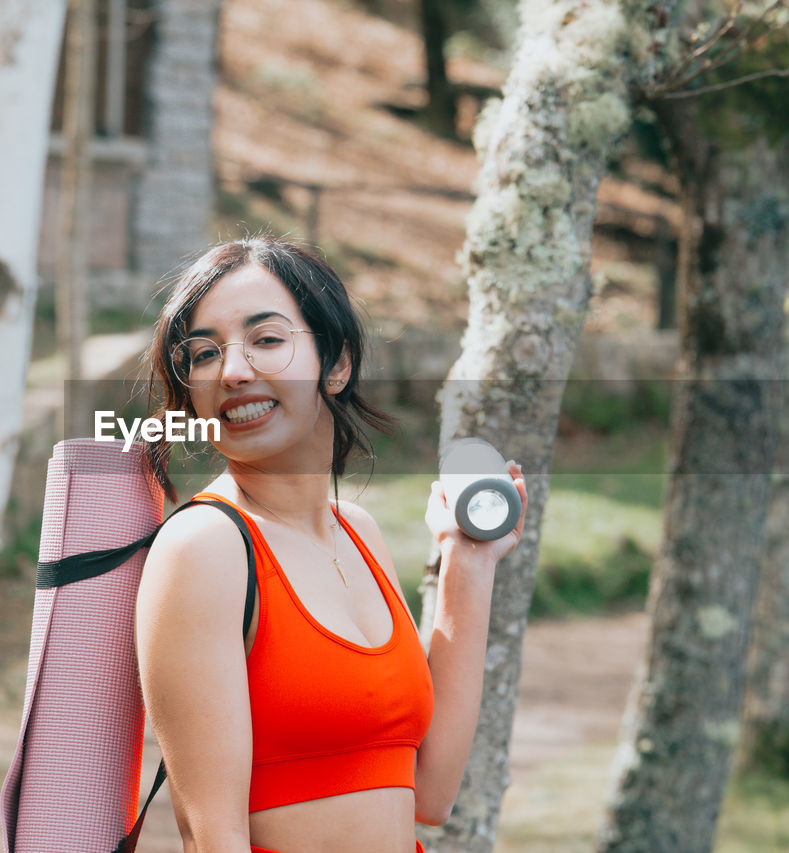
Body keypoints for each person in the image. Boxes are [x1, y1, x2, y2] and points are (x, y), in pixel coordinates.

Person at [135, 236, 527, 853]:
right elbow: (214, 837)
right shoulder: (206, 547)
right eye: (205, 353)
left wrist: (468, 562)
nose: (233, 371)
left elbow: (430, 793)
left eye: (266, 340)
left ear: (336, 364)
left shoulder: (358, 533)